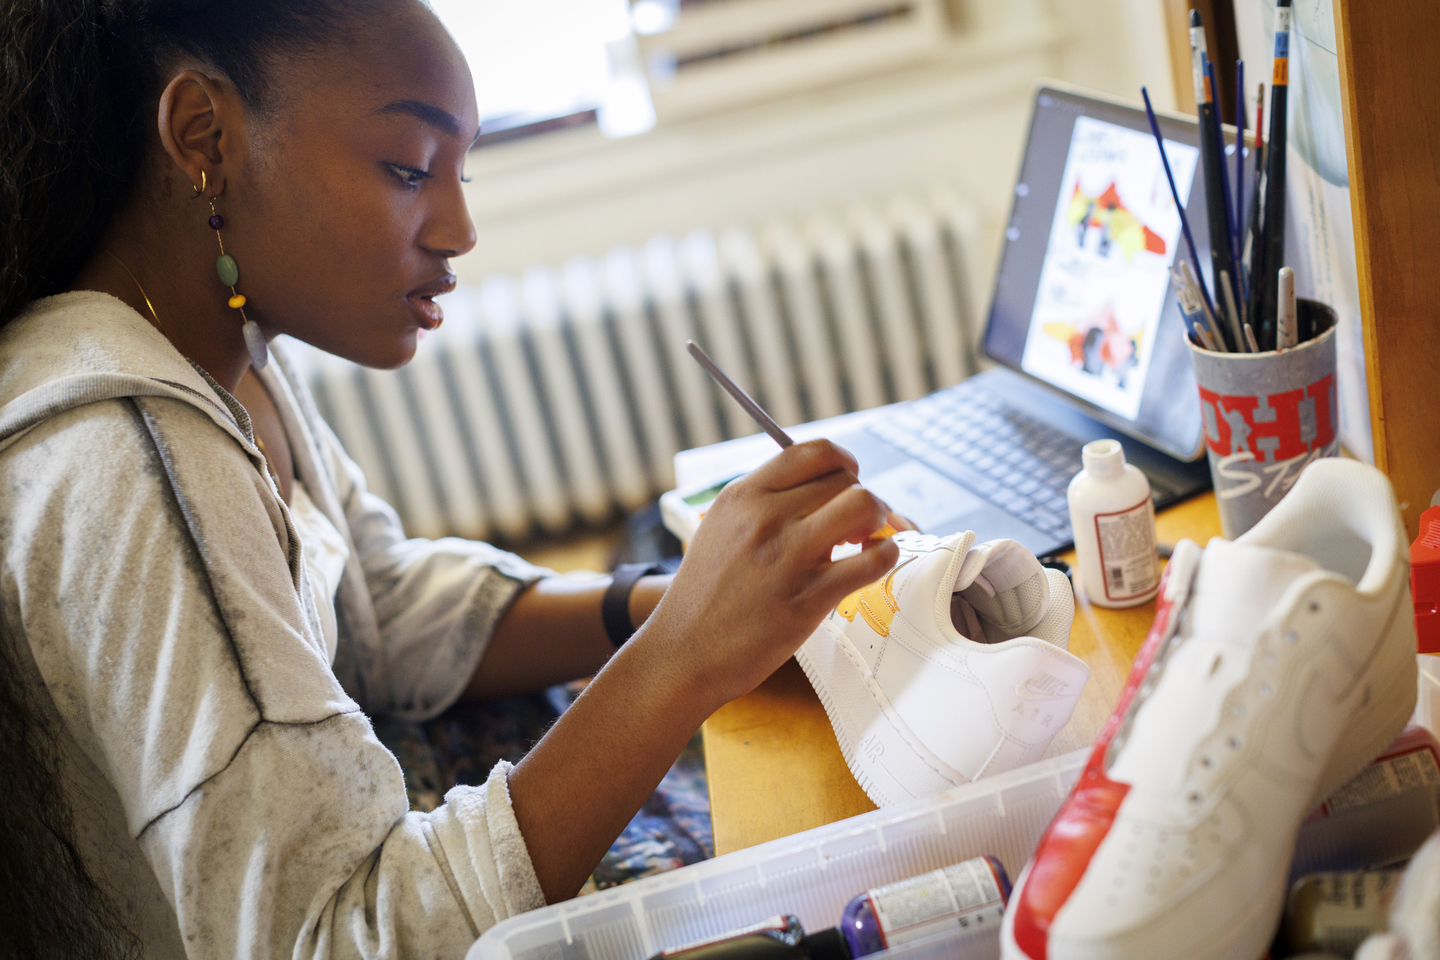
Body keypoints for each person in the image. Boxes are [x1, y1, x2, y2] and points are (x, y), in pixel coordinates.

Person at [0, 2, 902, 958]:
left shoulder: (229, 346)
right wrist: (682, 658)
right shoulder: (127, 456)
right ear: (204, 136)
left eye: (460, 171)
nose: (461, 228)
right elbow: (336, 938)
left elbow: (374, 606)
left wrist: (674, 605)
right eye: (405, 167)